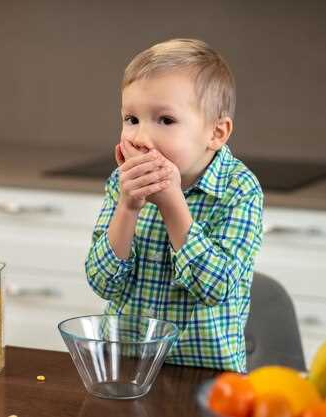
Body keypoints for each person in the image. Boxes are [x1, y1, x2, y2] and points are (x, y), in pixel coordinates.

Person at [85, 38, 264, 372]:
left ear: (217, 132)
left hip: (206, 378)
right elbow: (103, 282)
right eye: (131, 119)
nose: (139, 137)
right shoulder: (122, 182)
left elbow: (217, 287)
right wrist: (127, 207)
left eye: (165, 120)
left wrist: (172, 205)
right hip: (126, 367)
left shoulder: (239, 189)